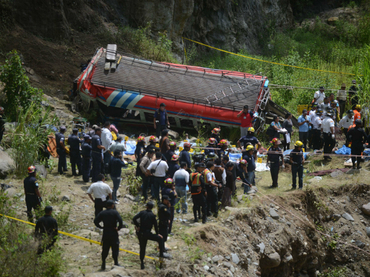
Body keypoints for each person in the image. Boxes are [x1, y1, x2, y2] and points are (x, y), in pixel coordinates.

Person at [94, 200, 124, 270]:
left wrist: (101, 227)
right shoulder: (115, 212)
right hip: (113, 232)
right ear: (112, 205)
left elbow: (96, 221)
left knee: (105, 249)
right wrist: (118, 228)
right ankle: (116, 262)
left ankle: (103, 263)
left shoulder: (102, 213)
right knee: (115, 248)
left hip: (106, 232)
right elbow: (120, 221)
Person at [133, 201, 164, 270]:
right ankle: (161, 259)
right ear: (152, 208)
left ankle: (142, 263)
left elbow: (134, 218)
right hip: (148, 233)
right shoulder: (152, 215)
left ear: (146, 207)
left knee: (142, 248)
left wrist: (138, 226)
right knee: (160, 239)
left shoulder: (142, 213)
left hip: (141, 233)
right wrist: (157, 233)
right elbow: (156, 225)